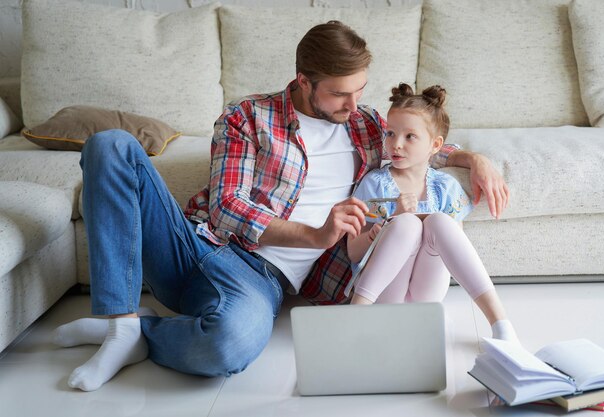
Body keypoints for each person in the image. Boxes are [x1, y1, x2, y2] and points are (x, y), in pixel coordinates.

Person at [52, 21, 510, 391]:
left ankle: (139, 335)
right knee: (110, 144)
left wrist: (473, 159)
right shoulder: (248, 116)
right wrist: (315, 235)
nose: (355, 104)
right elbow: (226, 207)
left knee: (227, 348)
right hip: (193, 246)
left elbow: (420, 143)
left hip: (259, 278)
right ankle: (119, 322)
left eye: (360, 90)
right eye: (339, 94)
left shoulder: (367, 124)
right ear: (304, 82)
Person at [346, 83, 518, 343]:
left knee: (439, 222)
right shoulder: (374, 184)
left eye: (409, 136)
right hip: (384, 294)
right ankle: (354, 317)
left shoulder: (445, 186)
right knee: (406, 225)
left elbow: (453, 247)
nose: (396, 144)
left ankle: (500, 323)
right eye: (391, 133)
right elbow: (352, 252)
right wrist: (384, 228)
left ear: (435, 145)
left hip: (425, 297)